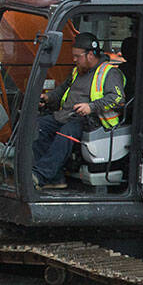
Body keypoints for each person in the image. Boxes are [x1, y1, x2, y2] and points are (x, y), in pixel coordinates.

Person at [32, 35, 126, 187]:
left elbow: (118, 98)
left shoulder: (109, 73)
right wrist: (48, 97)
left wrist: (91, 106)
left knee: (65, 133)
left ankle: (40, 175)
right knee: (36, 126)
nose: (74, 59)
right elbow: (62, 90)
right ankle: (55, 178)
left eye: (77, 56)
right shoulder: (77, 71)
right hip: (66, 115)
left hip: (92, 121)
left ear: (90, 55)